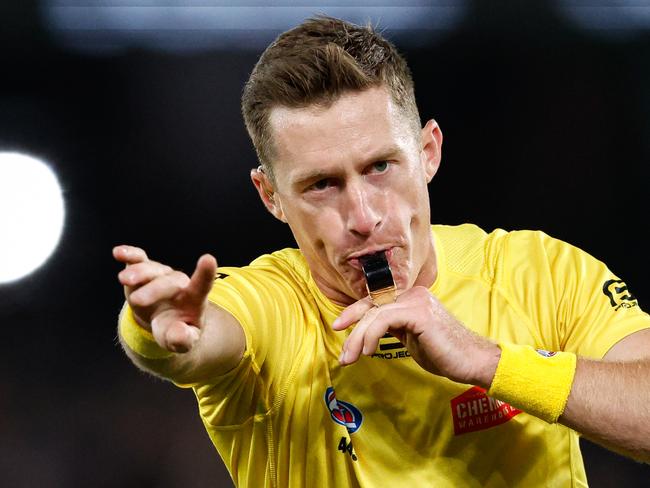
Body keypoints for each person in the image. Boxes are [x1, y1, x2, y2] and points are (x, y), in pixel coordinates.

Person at [113, 16, 650, 487]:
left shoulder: (539, 273)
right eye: (323, 184)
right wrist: (155, 329)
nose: (364, 217)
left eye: (380, 167)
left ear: (428, 152)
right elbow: (201, 337)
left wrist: (490, 362)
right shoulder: (273, 305)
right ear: (271, 196)